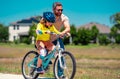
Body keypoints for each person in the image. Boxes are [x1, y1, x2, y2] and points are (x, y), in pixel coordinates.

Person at [52, 2, 71, 78]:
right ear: (53, 9)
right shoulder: (49, 16)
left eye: (61, 10)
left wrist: (63, 33)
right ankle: (37, 66)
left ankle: (60, 75)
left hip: (56, 37)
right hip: (46, 37)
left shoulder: (64, 17)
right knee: (43, 54)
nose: (60, 12)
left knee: (61, 53)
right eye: (58, 10)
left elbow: (68, 28)